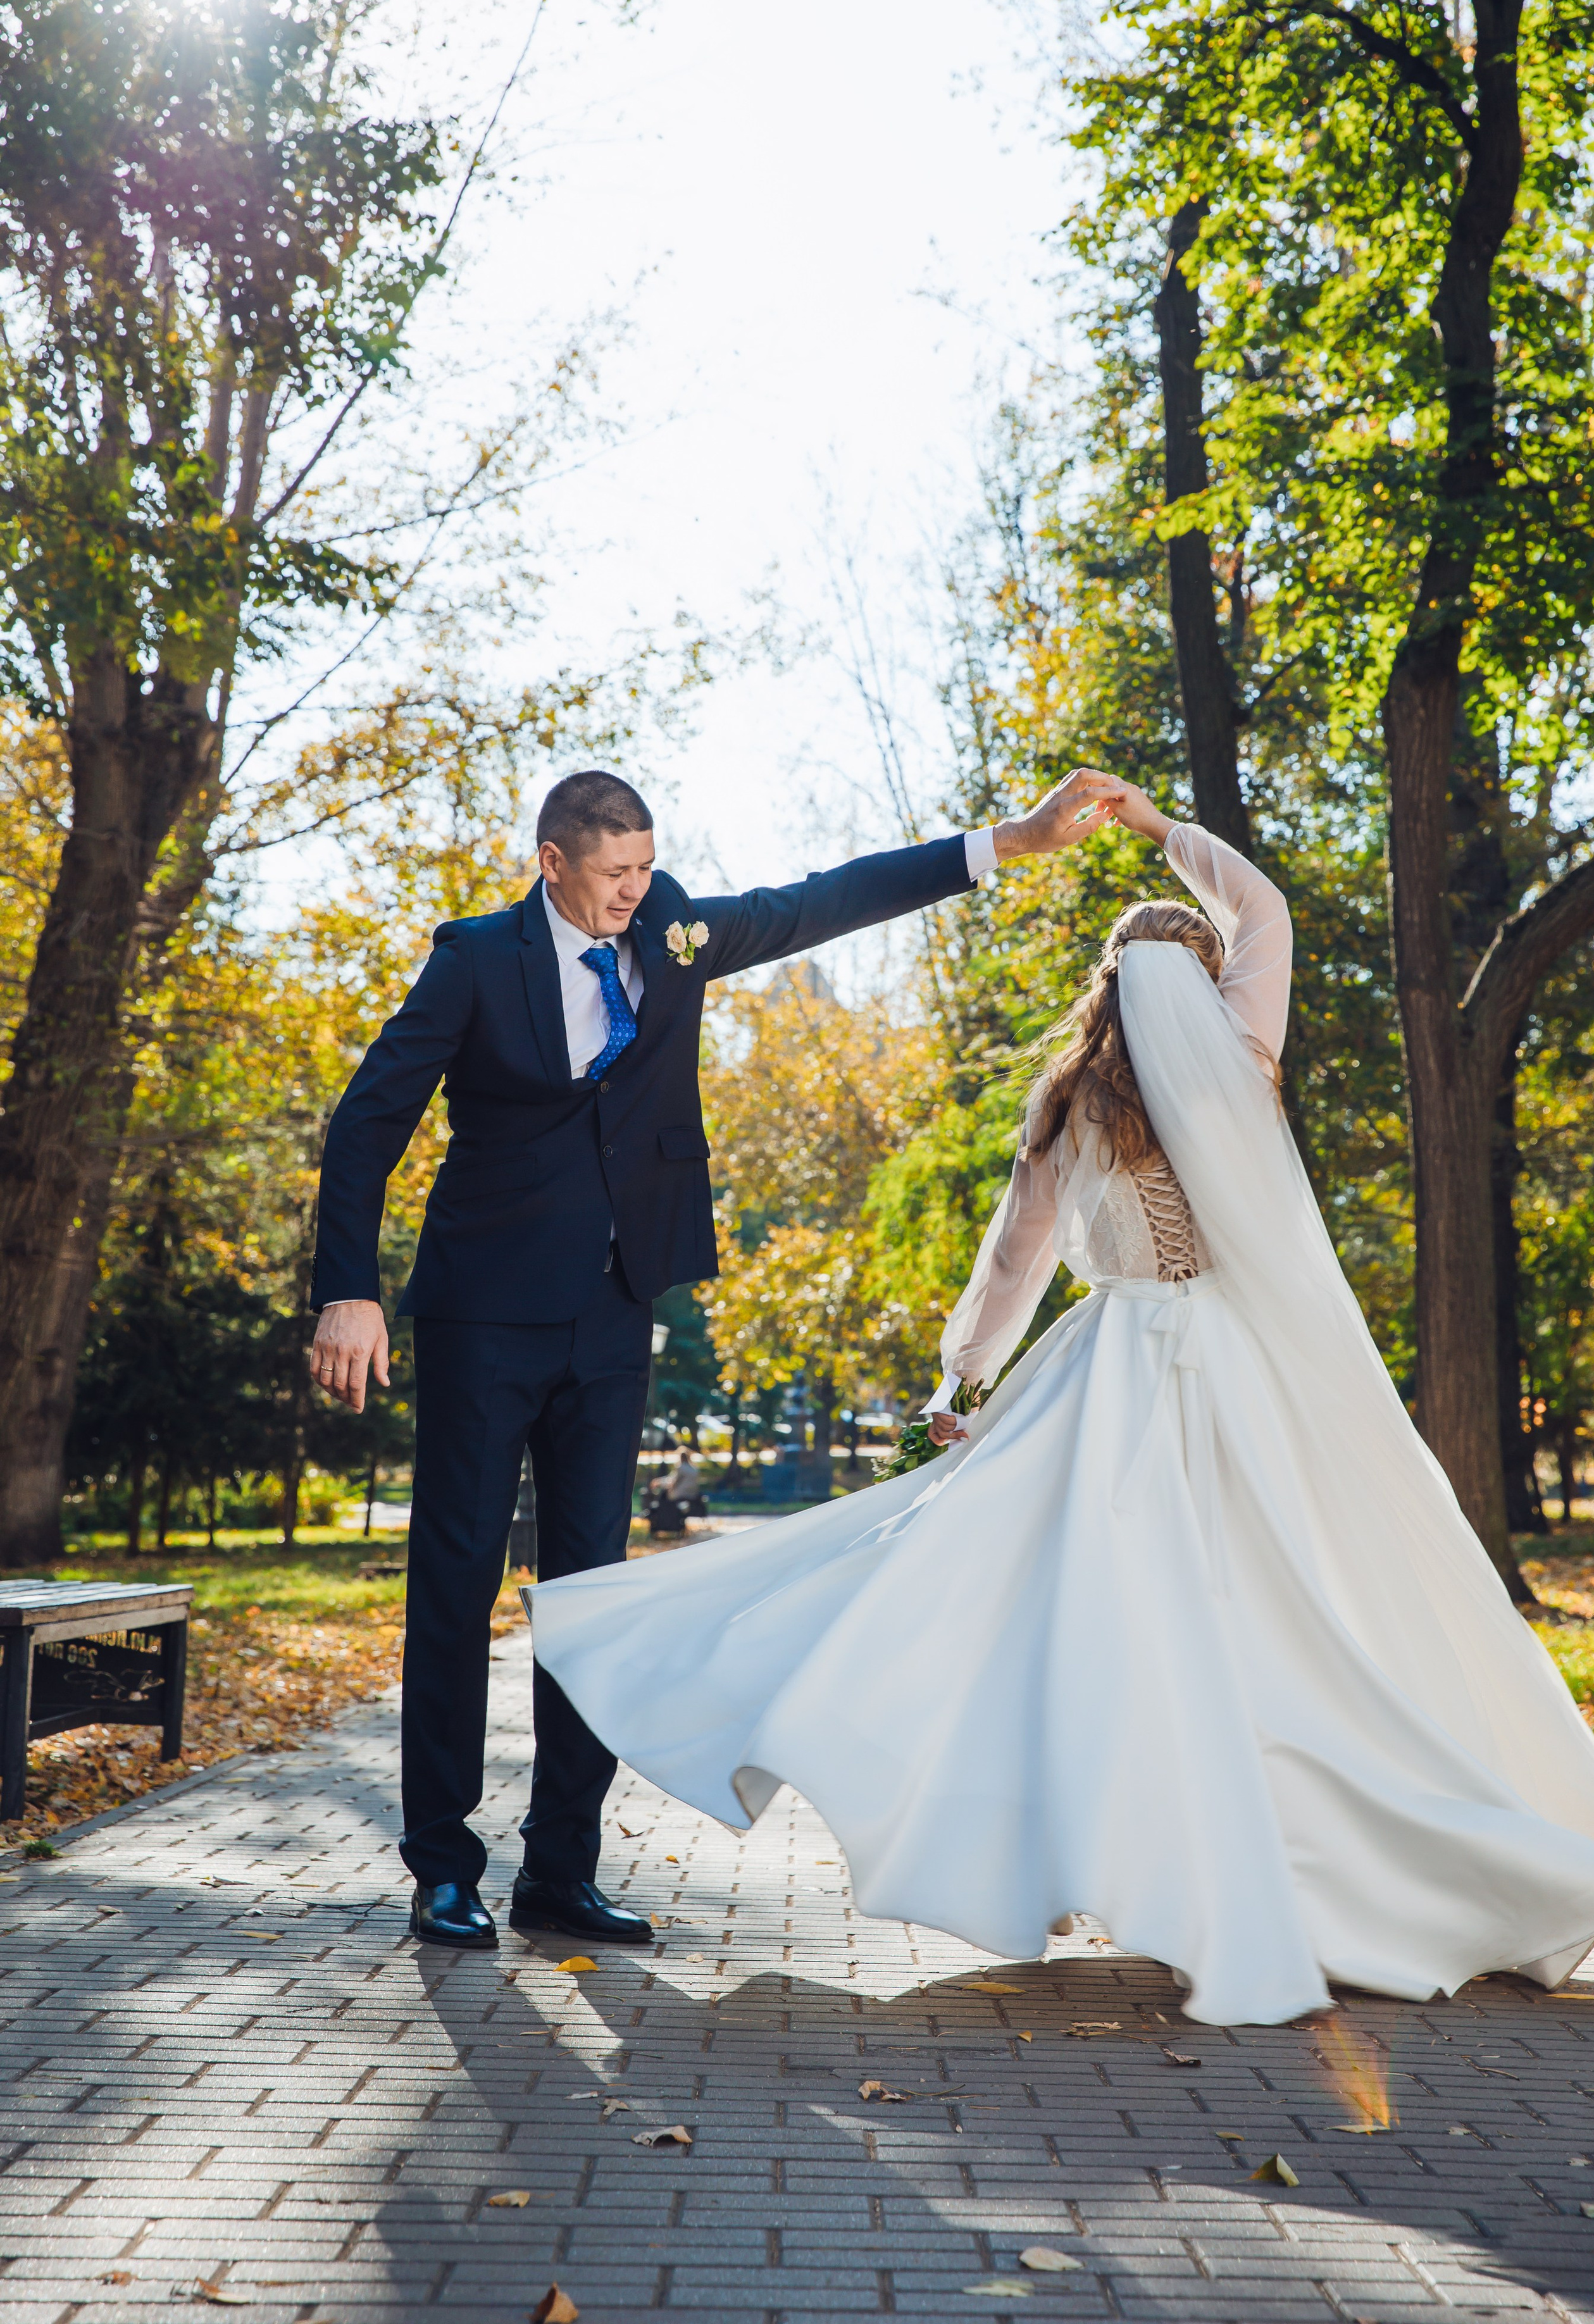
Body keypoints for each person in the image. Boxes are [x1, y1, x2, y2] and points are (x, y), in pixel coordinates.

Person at [525, 773, 1594, 2026]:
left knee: (1071, 1626)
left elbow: (1014, 1261)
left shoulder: (1065, 1107)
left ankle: (1123, 1851)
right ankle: (1293, 1864)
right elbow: (1264, 912)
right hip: (1238, 1376)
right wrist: (1159, 832)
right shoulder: (1243, 1057)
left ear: (1103, 988)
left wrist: (965, 1378)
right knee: (1268, 1619)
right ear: (1204, 985)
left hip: (1103, 1380)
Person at [306, 764, 1114, 1946]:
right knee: (457, 1581)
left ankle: (560, 1873)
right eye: (614, 873)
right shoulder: (477, 959)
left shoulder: (676, 933)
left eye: (646, 866)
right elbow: (370, 1117)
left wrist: (1011, 843)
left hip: (613, 1315)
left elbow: (827, 896)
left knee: (592, 1599)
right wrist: (348, 1293)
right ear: (554, 865)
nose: (638, 890)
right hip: (483, 1315)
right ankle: (442, 1864)